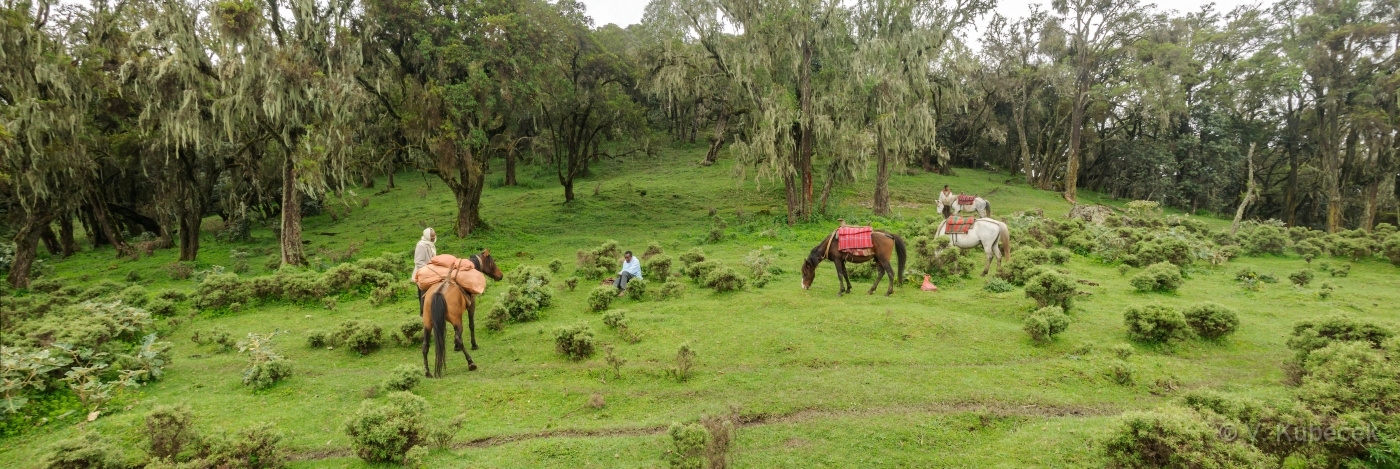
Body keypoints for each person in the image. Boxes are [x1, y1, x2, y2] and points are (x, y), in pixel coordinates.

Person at [412, 228, 436, 314]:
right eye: (432, 236)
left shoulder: (430, 244)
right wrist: (429, 268)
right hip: (422, 275)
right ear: (427, 236)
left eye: (434, 236)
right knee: (423, 295)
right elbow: (418, 261)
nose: (434, 238)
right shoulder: (421, 245)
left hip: (429, 274)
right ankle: (423, 314)